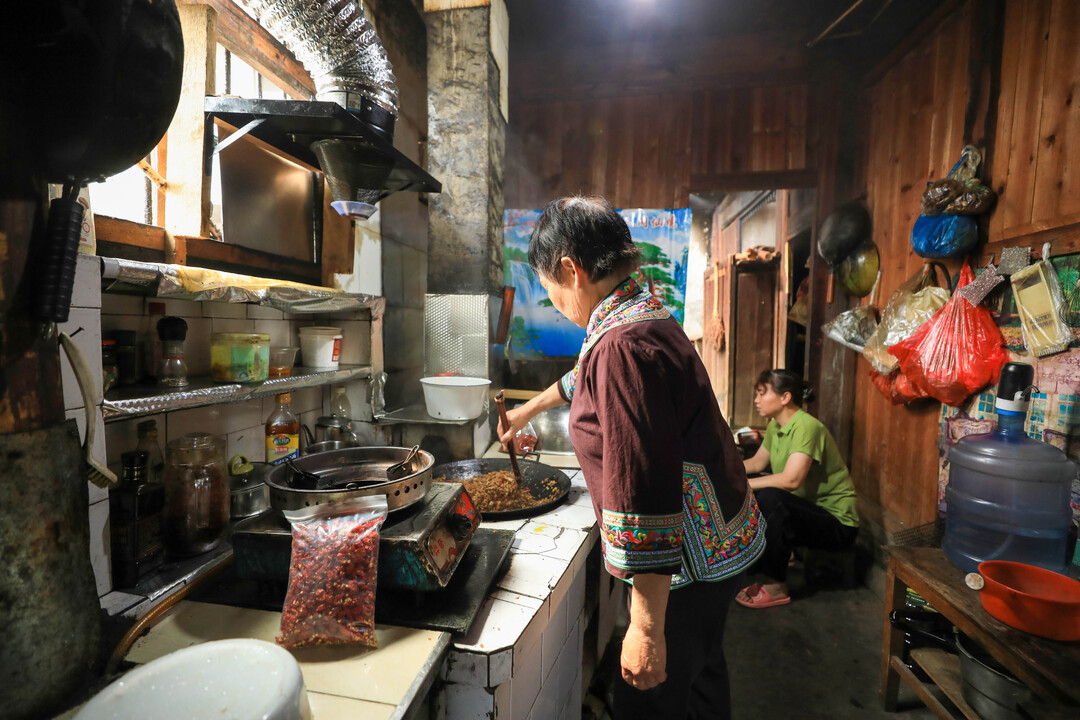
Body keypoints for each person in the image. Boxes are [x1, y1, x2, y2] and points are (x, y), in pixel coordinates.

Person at [500, 196, 765, 720]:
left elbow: (642, 492)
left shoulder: (621, 346)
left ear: (570, 270)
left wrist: (644, 629)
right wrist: (525, 410)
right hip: (720, 541)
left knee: (650, 698)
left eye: (550, 288)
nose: (554, 301)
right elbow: (584, 376)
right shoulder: (636, 310)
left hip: (687, 562)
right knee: (701, 678)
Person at [736, 369, 859, 609]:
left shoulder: (807, 427)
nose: (756, 400)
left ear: (785, 397)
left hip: (836, 524)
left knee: (771, 496)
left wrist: (743, 484)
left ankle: (776, 585)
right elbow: (758, 463)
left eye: (762, 393)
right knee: (760, 488)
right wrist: (723, 473)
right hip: (808, 513)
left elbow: (791, 481)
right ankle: (759, 564)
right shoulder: (775, 426)